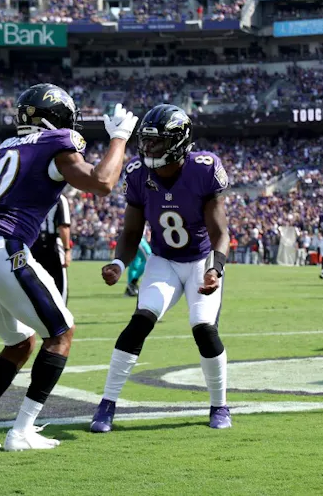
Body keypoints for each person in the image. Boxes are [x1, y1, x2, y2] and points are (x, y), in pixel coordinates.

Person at [0, 85, 137, 452]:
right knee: (61, 334)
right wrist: (119, 139)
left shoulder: (7, 146)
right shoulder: (57, 141)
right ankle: (22, 431)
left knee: (19, 344)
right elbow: (102, 183)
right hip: (4, 247)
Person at [90, 104, 232, 433]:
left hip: (200, 259)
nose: (149, 148)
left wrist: (216, 268)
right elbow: (130, 232)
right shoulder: (139, 173)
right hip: (164, 260)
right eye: (147, 141)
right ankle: (107, 404)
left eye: (158, 142)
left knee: (203, 327)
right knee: (140, 321)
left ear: (179, 142)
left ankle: (219, 404)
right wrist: (117, 263)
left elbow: (220, 233)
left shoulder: (204, 168)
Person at [32, 194, 72, 302]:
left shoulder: (30, 196)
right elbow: (63, 226)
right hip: (52, 245)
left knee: (35, 285)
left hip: (32, 244)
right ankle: (61, 314)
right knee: (59, 287)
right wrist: (67, 250)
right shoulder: (59, 198)